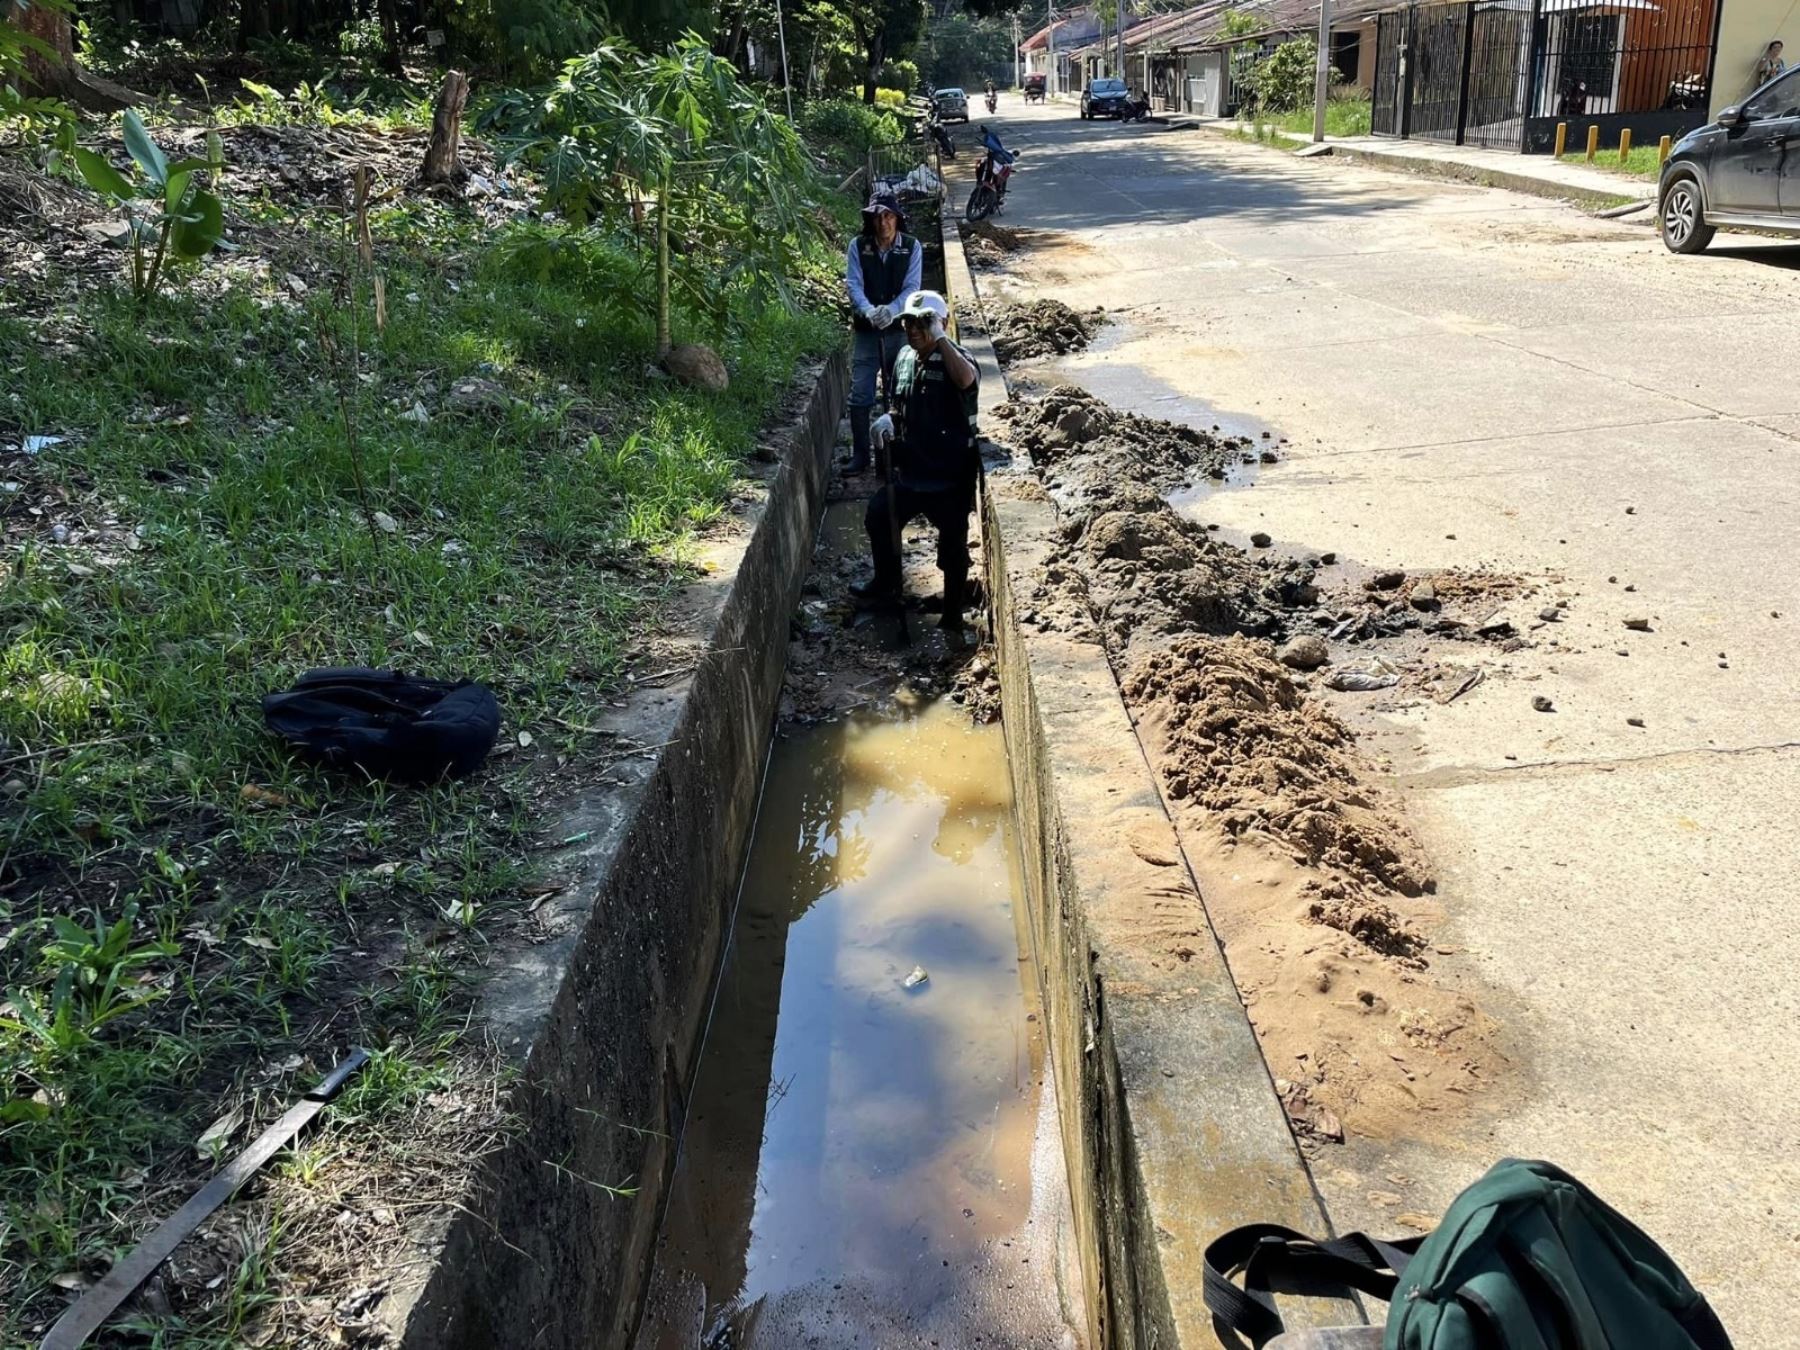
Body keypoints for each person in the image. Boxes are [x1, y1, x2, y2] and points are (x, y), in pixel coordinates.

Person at [852, 290, 982, 637]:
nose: (913, 330)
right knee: (879, 515)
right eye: (909, 323)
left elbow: (967, 380)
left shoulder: (958, 359)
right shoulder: (905, 359)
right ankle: (887, 584)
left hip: (948, 476)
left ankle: (953, 611)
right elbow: (898, 403)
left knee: (953, 547)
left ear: (942, 323)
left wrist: (941, 340)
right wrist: (889, 420)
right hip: (911, 472)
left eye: (923, 324)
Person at [843, 193, 922, 475]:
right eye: (877, 216)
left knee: (901, 390)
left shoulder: (912, 247)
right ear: (870, 220)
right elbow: (853, 284)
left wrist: (892, 310)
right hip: (867, 332)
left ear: (897, 219)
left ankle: (899, 453)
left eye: (888, 216)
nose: (883, 222)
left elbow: (912, 288)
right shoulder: (858, 246)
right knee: (860, 393)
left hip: (899, 330)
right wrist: (868, 311)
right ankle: (861, 455)